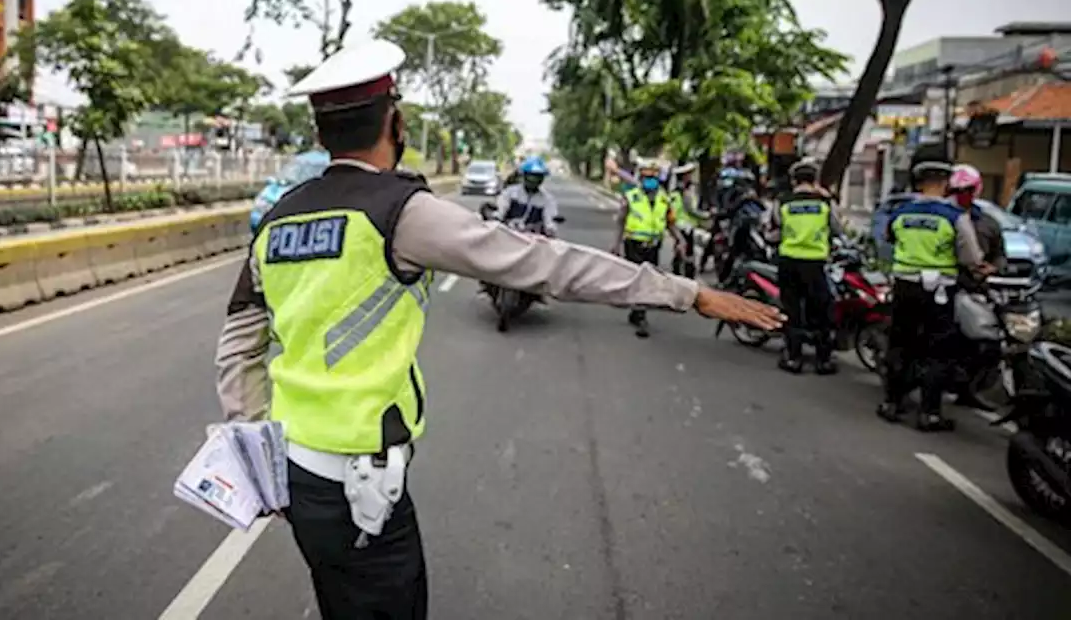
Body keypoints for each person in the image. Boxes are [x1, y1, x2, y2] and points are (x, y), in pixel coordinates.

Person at [213, 39, 782, 620]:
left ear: (318, 134)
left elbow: (238, 346)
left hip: (297, 474)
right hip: (361, 486)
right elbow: (549, 264)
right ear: (396, 121)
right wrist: (689, 293)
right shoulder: (400, 212)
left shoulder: (279, 219)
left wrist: (259, 453)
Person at [877, 145, 987, 432]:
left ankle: (892, 403)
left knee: (901, 345)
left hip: (904, 287)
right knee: (937, 352)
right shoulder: (954, 216)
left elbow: (889, 240)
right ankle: (929, 413)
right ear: (946, 181)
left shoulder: (901, 213)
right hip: (939, 291)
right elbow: (971, 258)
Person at [765, 158, 844, 375]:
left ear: (793, 180)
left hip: (789, 261)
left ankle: (794, 357)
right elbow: (837, 229)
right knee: (821, 310)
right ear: (815, 179)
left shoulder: (783, 201)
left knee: (792, 309)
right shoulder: (825, 202)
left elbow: (775, 228)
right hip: (815, 263)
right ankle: (823, 360)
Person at [613, 159, 685, 338]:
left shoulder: (664, 199)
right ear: (640, 178)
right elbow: (621, 220)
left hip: (654, 245)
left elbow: (670, 223)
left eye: (652, 177)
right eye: (646, 177)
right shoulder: (631, 196)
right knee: (641, 280)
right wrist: (616, 243)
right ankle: (641, 317)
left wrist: (680, 240)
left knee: (649, 279)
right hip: (634, 243)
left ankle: (636, 312)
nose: (649, 181)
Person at [494, 156, 560, 237]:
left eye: (537, 177)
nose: (533, 180)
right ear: (524, 176)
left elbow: (549, 222)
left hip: (534, 240)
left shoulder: (547, 199)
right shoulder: (510, 193)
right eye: (531, 176)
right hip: (508, 235)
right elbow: (500, 211)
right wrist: (497, 218)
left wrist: (549, 228)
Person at [668, 163, 708, 278]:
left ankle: (677, 274)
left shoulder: (676, 191)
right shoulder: (684, 192)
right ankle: (687, 278)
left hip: (678, 225)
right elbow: (691, 210)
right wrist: (706, 216)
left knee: (679, 251)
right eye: (689, 175)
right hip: (685, 226)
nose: (691, 177)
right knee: (687, 254)